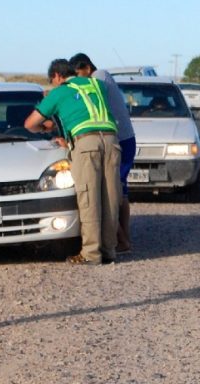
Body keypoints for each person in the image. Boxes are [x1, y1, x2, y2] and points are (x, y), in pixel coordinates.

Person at [24, 58, 121, 265]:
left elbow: (30, 123)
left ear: (57, 76)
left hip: (86, 144)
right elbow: (82, 109)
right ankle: (109, 250)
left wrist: (45, 128)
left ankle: (91, 253)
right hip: (112, 140)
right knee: (110, 196)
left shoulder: (59, 92)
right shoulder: (97, 85)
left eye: (52, 80)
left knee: (89, 197)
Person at [69, 53, 136, 254]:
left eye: (78, 74)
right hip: (123, 137)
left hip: (119, 139)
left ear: (87, 68)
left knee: (111, 192)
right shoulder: (102, 77)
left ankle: (122, 240)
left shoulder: (99, 78)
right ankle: (124, 238)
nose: (79, 79)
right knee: (120, 192)